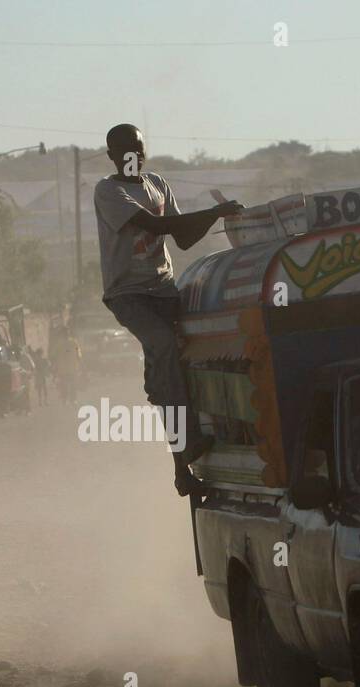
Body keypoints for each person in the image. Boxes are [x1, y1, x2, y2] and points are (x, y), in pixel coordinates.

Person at [93, 123, 243, 495]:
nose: (134, 158)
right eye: (126, 152)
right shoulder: (108, 191)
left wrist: (214, 216)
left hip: (163, 290)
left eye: (139, 151)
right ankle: (186, 447)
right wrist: (213, 210)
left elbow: (184, 238)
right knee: (163, 346)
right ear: (112, 156)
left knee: (176, 368)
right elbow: (156, 225)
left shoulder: (157, 184)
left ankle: (183, 468)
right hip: (129, 294)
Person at [51, 330, 82, 405]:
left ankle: (64, 399)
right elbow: (79, 356)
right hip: (73, 368)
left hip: (62, 369)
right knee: (73, 384)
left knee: (63, 384)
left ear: (62, 336)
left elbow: (54, 356)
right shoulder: (74, 343)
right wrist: (80, 364)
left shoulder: (59, 344)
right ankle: (73, 399)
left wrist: (55, 366)